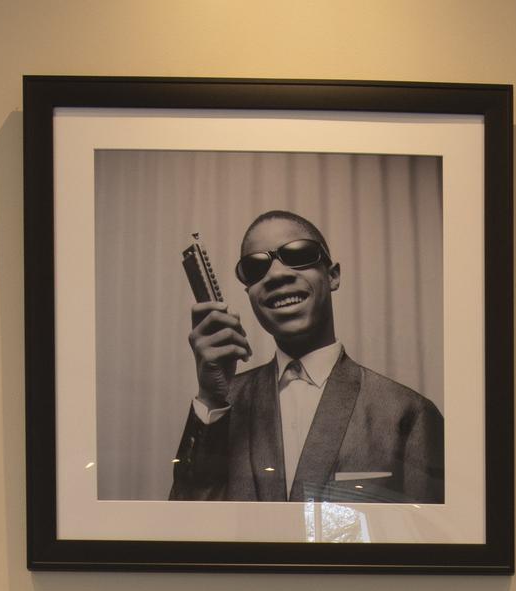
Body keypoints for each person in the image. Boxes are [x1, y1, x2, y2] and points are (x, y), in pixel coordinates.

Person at [170, 210, 444, 502]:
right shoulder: (219, 409)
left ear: (333, 276)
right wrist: (211, 398)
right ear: (249, 292)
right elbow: (183, 519)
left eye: (299, 254)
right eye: (255, 268)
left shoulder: (410, 414)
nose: (276, 275)